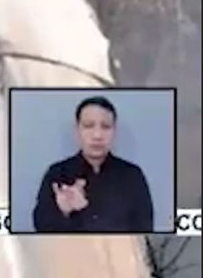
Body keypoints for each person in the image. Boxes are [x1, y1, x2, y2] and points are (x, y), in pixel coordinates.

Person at [32, 96, 155, 233]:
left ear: (114, 132)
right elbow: (40, 226)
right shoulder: (57, 173)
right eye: (89, 126)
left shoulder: (132, 175)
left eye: (106, 127)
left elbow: (145, 228)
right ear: (77, 131)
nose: (97, 135)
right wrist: (63, 212)